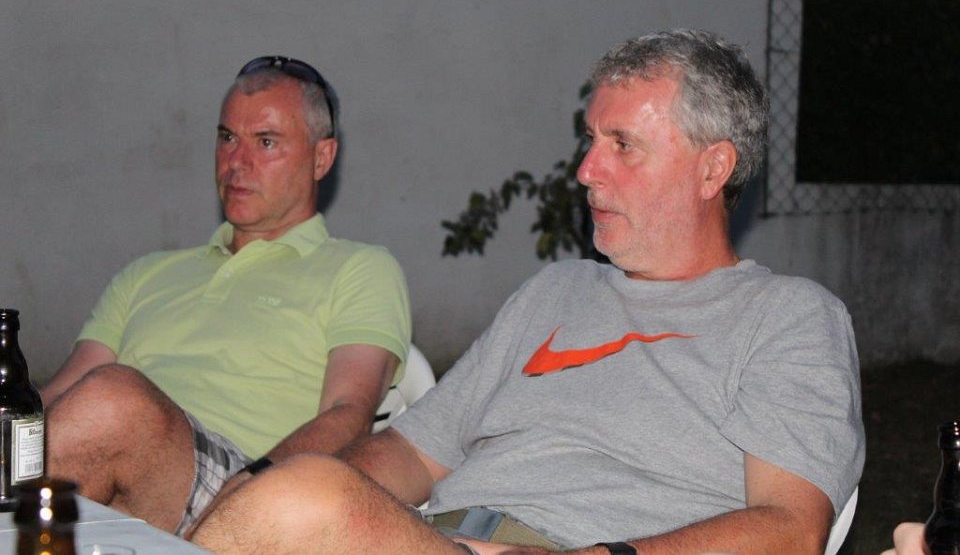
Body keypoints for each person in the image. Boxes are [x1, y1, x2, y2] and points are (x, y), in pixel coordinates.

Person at [190, 30, 864, 555]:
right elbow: (409, 451)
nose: (586, 170)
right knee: (284, 491)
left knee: (302, 496)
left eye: (622, 145)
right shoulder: (557, 290)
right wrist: (307, 493)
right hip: (437, 537)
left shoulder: (790, 318)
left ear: (712, 168)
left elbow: (791, 529)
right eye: (590, 140)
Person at [40, 56, 412, 537]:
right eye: (227, 138)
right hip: (110, 476)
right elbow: (61, 395)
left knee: (116, 400)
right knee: (92, 406)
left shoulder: (359, 268)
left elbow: (348, 415)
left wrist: (250, 495)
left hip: (244, 486)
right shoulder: (147, 274)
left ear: (321, 158)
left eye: (266, 141)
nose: (237, 161)